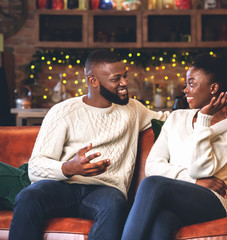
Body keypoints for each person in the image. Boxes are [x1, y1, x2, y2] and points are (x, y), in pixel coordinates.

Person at [8, 49, 170, 240]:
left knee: (114, 205)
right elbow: (35, 166)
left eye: (125, 76)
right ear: (93, 81)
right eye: (116, 79)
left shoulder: (133, 109)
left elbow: (171, 120)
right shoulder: (63, 112)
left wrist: (207, 115)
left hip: (106, 190)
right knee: (29, 196)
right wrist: (70, 167)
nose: (124, 83)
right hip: (62, 187)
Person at [121, 51, 227, 240]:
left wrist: (204, 120)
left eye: (192, 84)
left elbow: (200, 170)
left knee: (152, 184)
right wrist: (194, 181)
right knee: (161, 222)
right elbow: (153, 165)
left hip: (212, 201)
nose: (185, 90)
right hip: (176, 198)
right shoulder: (176, 118)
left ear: (213, 88)